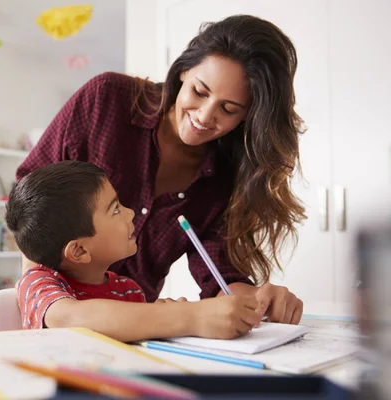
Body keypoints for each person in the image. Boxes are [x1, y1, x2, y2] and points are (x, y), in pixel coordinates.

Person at [16, 14, 305, 324]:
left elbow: (219, 276)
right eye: (200, 92)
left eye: (228, 109)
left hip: (137, 329)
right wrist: (38, 300)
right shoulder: (106, 99)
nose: (205, 116)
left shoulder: (225, 175)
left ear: (248, 117)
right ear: (183, 71)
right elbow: (32, 199)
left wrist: (258, 300)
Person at [6, 160, 262, 342]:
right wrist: (188, 317)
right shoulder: (39, 282)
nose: (130, 213)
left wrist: (162, 319)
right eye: (115, 209)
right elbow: (70, 317)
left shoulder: (128, 291)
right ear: (80, 250)